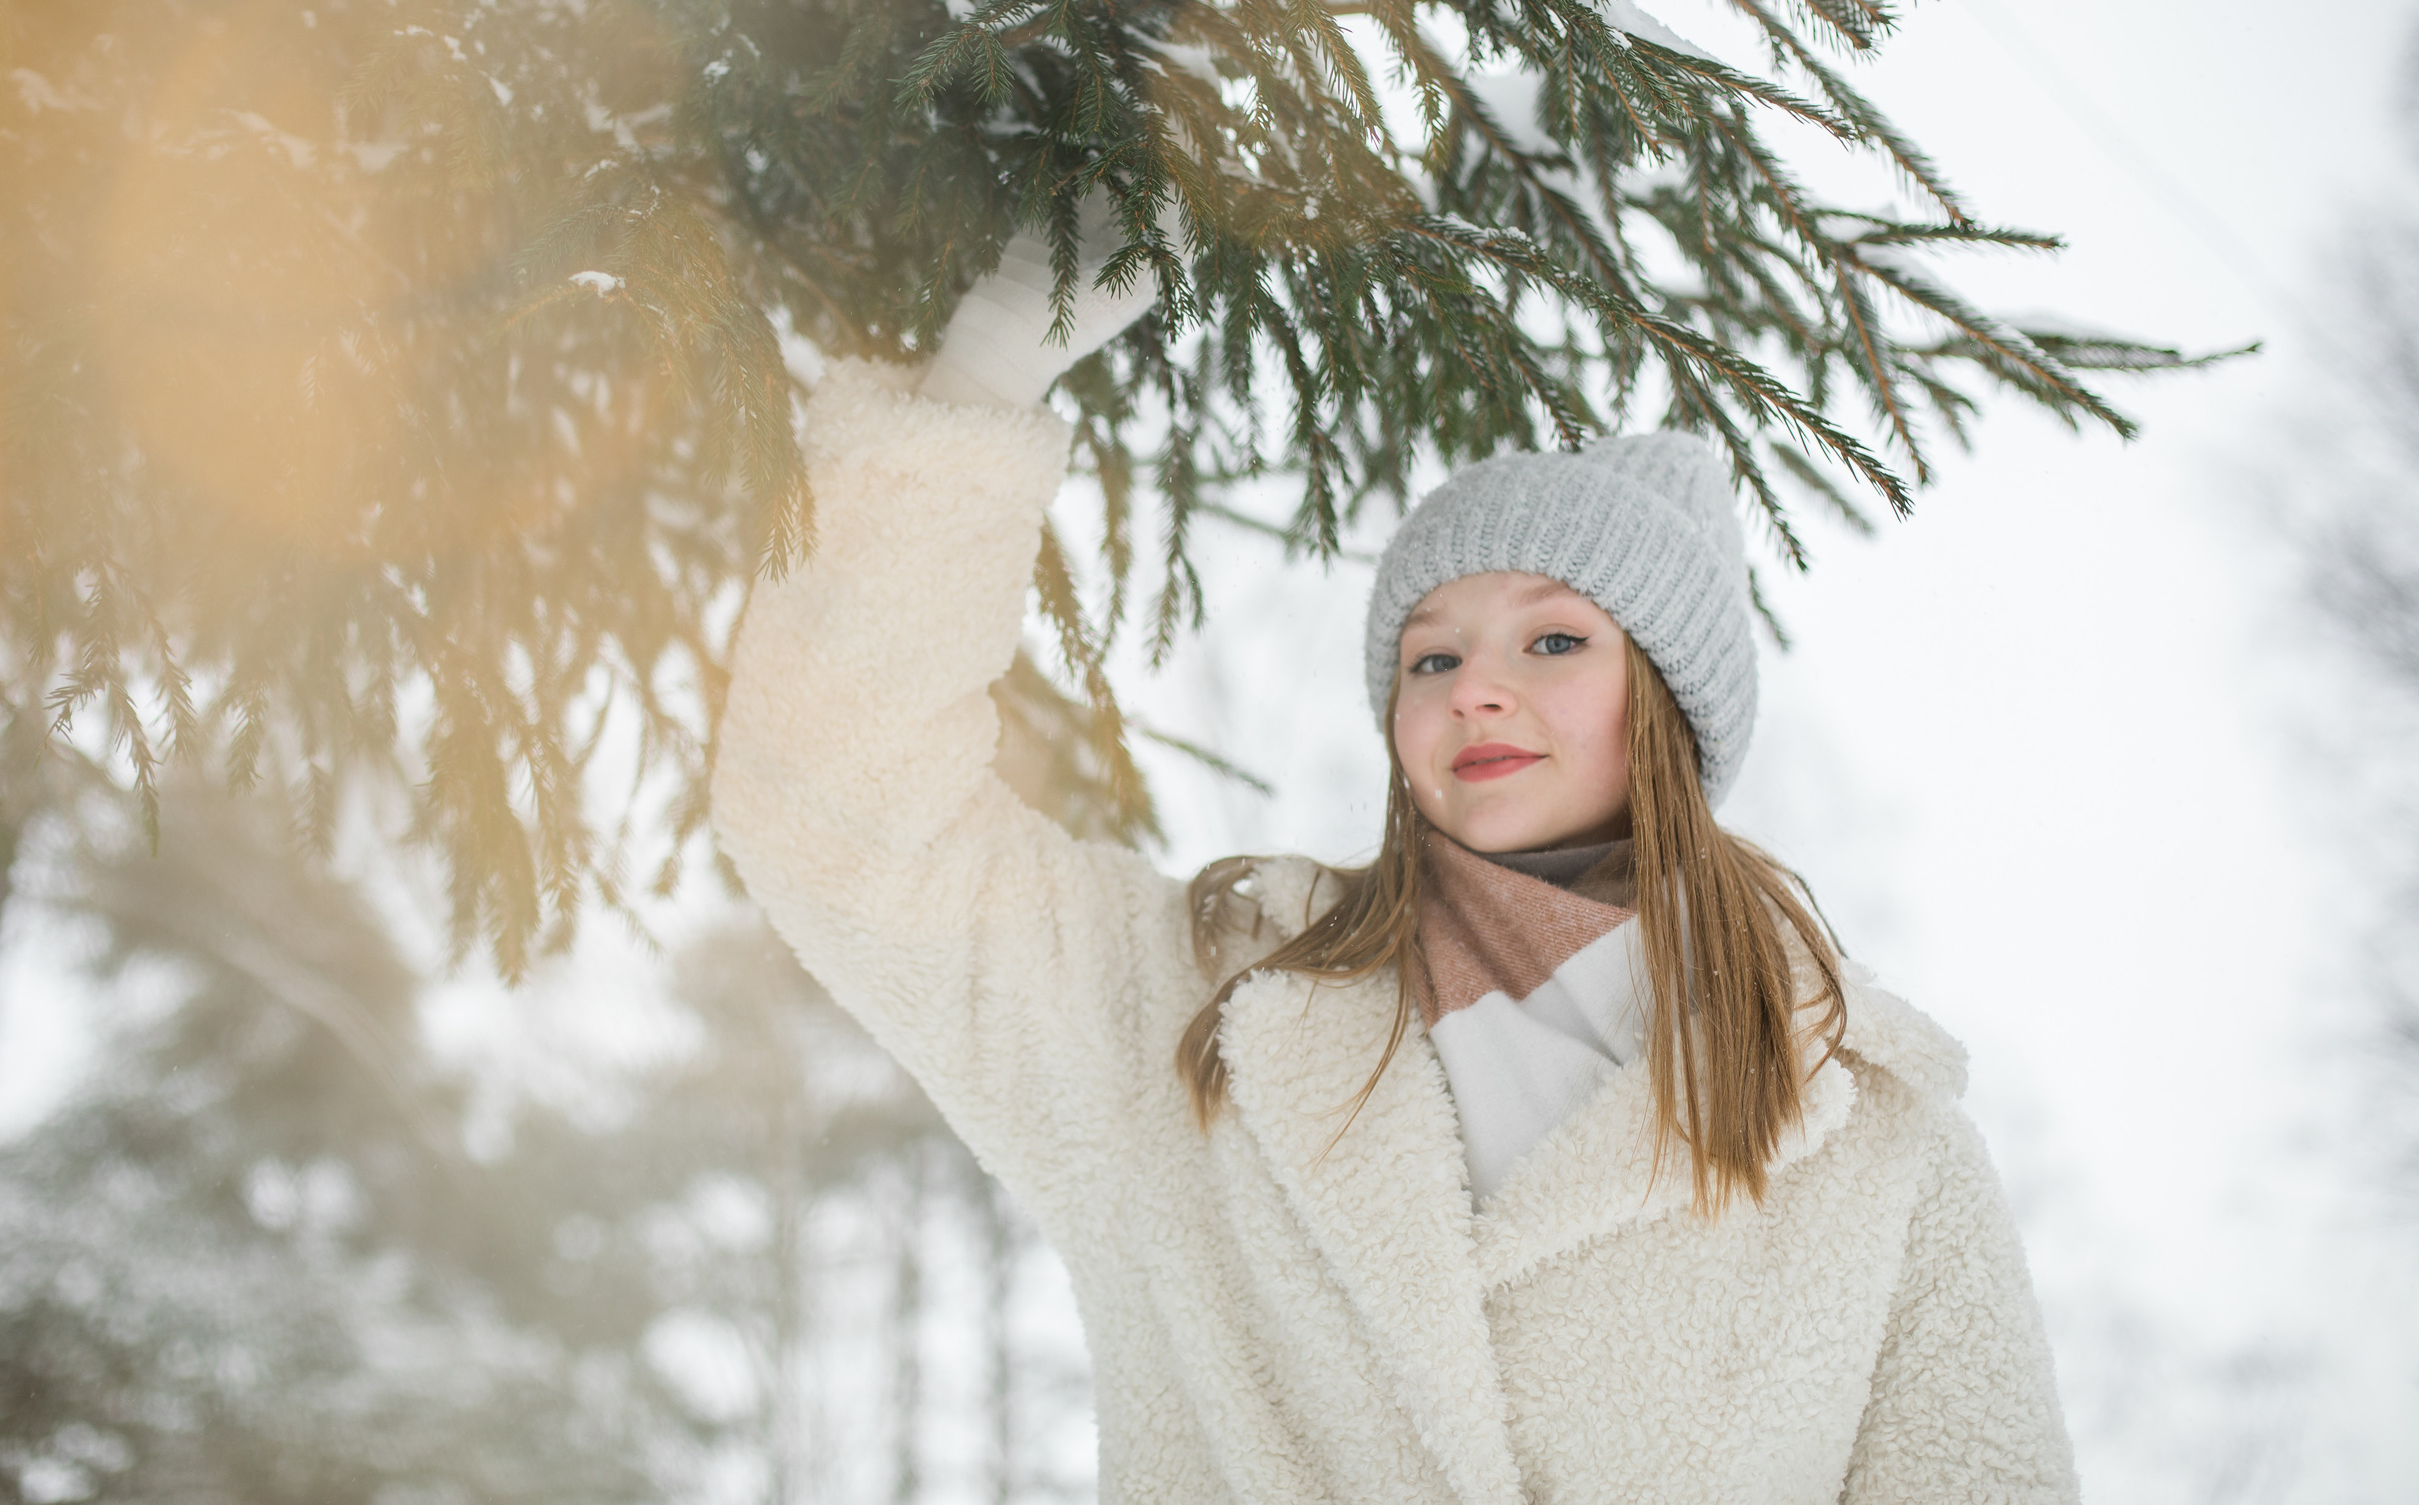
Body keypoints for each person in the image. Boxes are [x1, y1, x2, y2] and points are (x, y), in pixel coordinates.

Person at [710, 218, 2078, 1504]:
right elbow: (840, 819)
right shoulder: (1197, 1023)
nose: (1477, 690)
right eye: (1434, 655)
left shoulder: (1874, 1146)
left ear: (1666, 705)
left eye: (1552, 641)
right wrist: (981, 384)